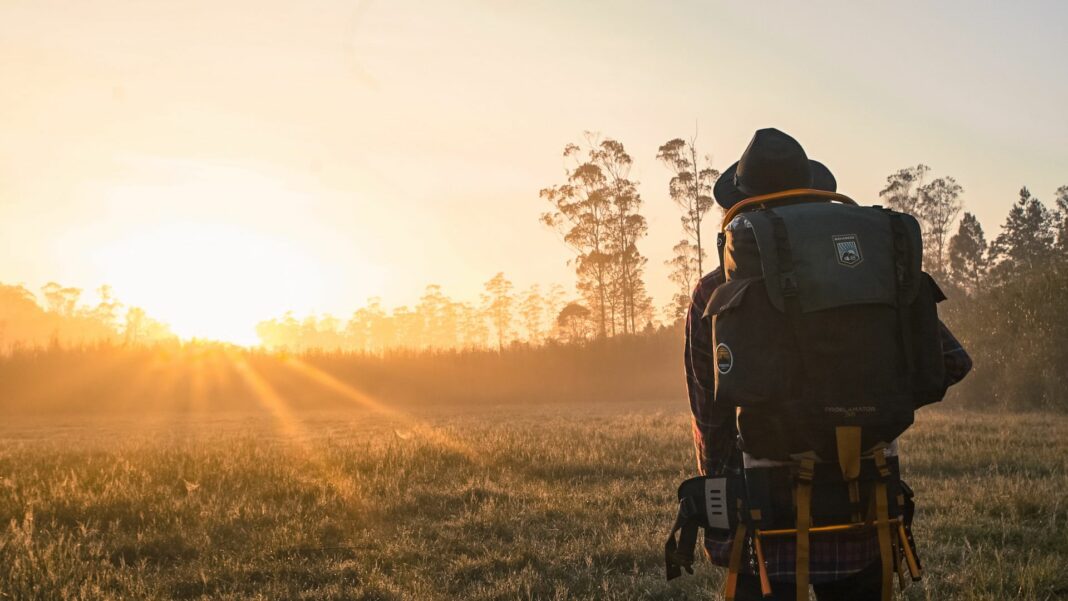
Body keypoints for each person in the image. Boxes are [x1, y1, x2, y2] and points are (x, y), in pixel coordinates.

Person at [684, 128, 973, 600]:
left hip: (768, 521)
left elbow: (710, 417)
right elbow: (953, 363)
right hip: (867, 510)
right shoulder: (872, 273)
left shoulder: (715, 291)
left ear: (744, 206)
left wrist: (722, 519)